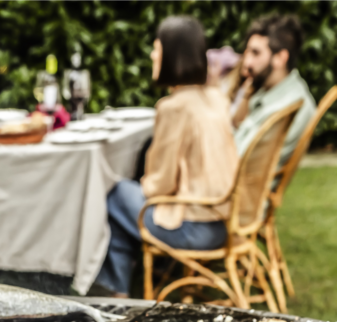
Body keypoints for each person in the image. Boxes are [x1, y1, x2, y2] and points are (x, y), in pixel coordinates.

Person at [96, 16, 238, 297]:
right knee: (126, 198)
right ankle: (121, 283)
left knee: (114, 193)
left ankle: (116, 293)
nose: (152, 54)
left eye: (157, 48)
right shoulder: (215, 98)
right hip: (223, 222)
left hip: (193, 229)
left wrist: (142, 183)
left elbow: (159, 185)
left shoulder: (174, 107)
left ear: (173, 55)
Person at [234, 14, 316, 166]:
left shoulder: (291, 106)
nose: (247, 62)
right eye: (247, 52)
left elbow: (243, 161)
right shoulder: (269, 90)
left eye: (255, 53)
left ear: (280, 58)